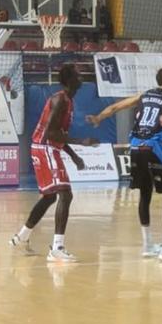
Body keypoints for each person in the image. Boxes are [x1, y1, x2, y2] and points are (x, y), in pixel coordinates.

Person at [86, 67, 162, 261]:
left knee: (145, 193)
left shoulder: (144, 95)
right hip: (155, 147)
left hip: (135, 147)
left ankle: (148, 246)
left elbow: (116, 107)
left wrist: (99, 117)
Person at [10, 64, 98, 262]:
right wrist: (81, 142)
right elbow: (51, 133)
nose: (81, 77)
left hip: (46, 147)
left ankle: (22, 236)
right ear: (69, 80)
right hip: (45, 147)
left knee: (50, 197)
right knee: (65, 194)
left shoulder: (68, 100)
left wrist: (74, 156)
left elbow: (59, 134)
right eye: (77, 74)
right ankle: (57, 248)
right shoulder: (60, 100)